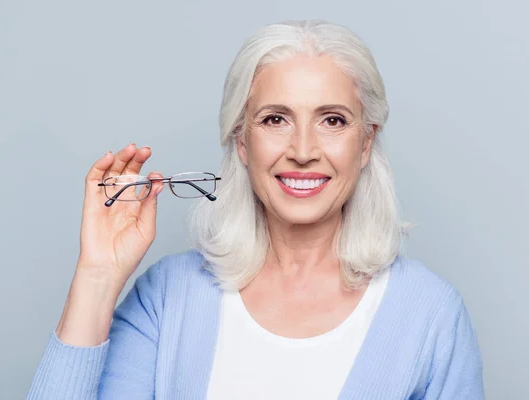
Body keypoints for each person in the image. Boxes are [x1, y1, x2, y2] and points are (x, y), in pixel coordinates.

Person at [27, 20, 484, 399]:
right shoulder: (167, 298)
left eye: (332, 120)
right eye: (274, 119)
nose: (303, 150)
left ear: (365, 142)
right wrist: (97, 277)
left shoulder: (432, 315)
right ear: (242, 141)